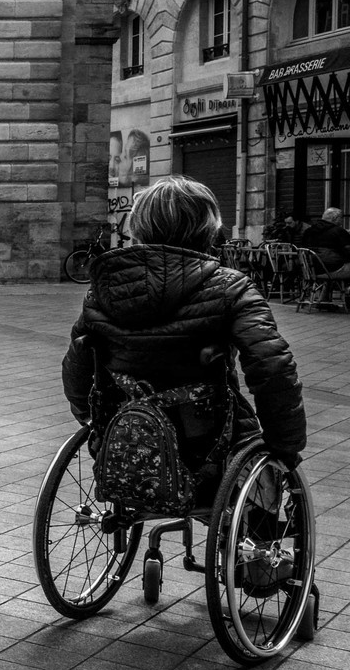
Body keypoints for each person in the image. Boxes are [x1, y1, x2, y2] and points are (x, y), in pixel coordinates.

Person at [61, 176, 305, 505]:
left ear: (139, 226)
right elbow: (273, 366)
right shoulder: (230, 287)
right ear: (208, 228)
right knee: (265, 472)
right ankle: (256, 549)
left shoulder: (104, 289)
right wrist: (284, 446)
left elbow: (77, 362)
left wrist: (91, 420)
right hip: (209, 444)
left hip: (126, 440)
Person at [299, 206, 350, 274]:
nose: (341, 221)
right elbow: (348, 250)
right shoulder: (338, 231)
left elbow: (303, 247)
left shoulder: (308, 231)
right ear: (335, 218)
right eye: (341, 218)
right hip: (333, 268)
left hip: (310, 270)